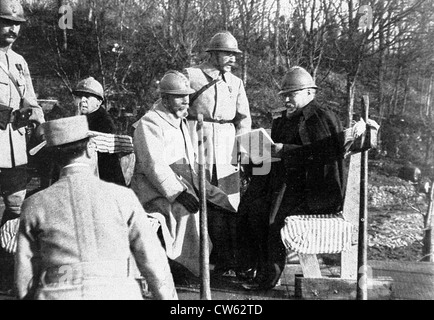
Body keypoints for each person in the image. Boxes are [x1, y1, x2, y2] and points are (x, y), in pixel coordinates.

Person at [15, 115, 178, 300]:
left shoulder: (34, 204)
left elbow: (25, 275)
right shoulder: (123, 198)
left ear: (54, 159)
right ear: (90, 149)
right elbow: (154, 263)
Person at [237, 66, 346, 290]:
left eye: (292, 94)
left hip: (313, 189)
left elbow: (324, 156)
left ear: (310, 92)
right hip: (282, 182)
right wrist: (251, 159)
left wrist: (284, 150)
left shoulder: (320, 118)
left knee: (270, 216)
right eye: (284, 95)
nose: (287, 99)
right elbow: (273, 155)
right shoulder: (284, 119)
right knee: (249, 206)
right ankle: (252, 267)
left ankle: (269, 276)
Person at [130, 70, 236, 280]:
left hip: (183, 186)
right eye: (179, 96)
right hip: (154, 194)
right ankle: (188, 268)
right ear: (165, 99)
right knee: (188, 211)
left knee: (226, 204)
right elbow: (153, 165)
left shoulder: (181, 121)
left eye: (187, 95)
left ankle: (223, 263)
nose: (186, 100)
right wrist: (177, 193)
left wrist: (206, 190)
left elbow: (189, 164)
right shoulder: (150, 122)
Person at [183, 31, 252, 276]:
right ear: (212, 54)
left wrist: (245, 156)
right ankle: (199, 257)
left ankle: (226, 259)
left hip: (225, 142)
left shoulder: (236, 83)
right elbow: (175, 105)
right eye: (227, 53)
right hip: (197, 136)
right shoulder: (191, 75)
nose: (232, 59)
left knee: (228, 200)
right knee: (199, 195)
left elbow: (244, 120)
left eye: (235, 54)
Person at [0, 0, 45, 292]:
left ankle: (6, 275)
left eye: (16, 24)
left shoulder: (19, 61)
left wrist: (36, 111)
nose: (13, 28)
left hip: (15, 151)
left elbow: (29, 96)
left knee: (16, 210)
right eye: (6, 22)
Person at [74, 76, 126, 186]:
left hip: (104, 180)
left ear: (99, 102)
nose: (83, 100)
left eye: (87, 96)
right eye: (79, 96)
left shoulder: (104, 122)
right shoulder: (78, 119)